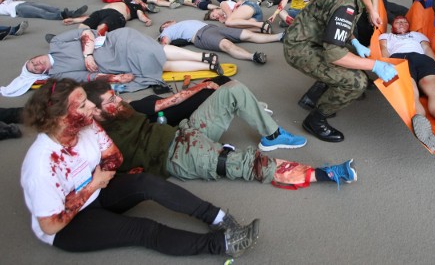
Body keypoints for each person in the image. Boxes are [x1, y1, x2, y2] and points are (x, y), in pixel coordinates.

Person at [20, 78, 259, 258]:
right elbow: (51, 224)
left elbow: (113, 157)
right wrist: (93, 183)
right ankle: (223, 245)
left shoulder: (88, 126)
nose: (92, 108)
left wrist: (97, 181)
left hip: (98, 190)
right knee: (142, 230)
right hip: (69, 224)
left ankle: (218, 217)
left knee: (146, 182)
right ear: (62, 118)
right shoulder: (41, 165)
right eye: (82, 106)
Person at [84, 78, 357, 189]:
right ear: (92, 112)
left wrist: (202, 86)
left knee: (233, 89)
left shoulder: (126, 108)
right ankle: (324, 174)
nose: (118, 102)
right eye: (110, 101)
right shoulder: (97, 141)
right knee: (242, 163)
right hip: (179, 157)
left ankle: (271, 135)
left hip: (184, 131)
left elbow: (170, 102)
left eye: (115, 97)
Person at [284, 0, 405, 142]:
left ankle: (311, 97)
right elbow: (334, 54)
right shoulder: (345, 2)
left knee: (355, 57)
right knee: (357, 82)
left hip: (312, 37)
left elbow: (335, 23)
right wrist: (375, 66)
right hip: (300, 47)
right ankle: (316, 120)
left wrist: (354, 41)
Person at [20, 27, 225, 93]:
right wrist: (115, 79)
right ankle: (206, 62)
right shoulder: (58, 74)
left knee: (155, 51)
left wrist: (87, 54)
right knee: (159, 64)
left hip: (116, 42)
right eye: (35, 68)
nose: (37, 64)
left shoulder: (56, 43)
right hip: (115, 64)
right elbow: (88, 77)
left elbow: (86, 32)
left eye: (34, 61)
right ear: (41, 73)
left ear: (36, 56)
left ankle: (203, 57)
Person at [379, 15, 435, 150]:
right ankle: (426, 134)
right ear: (392, 26)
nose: (401, 23)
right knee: (410, 91)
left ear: (409, 26)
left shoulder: (417, 35)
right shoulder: (386, 36)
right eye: (398, 22)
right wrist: (387, 65)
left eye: (404, 22)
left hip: (422, 59)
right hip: (399, 59)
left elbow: (428, 49)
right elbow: (383, 50)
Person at [158, 19, 284, 64]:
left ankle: (279, 36)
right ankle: (253, 57)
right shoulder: (166, 32)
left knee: (247, 34)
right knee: (226, 45)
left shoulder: (178, 24)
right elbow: (164, 46)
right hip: (200, 35)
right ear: (165, 25)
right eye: (166, 23)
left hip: (212, 27)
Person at [62, 0, 153, 33]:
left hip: (117, 15)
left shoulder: (137, 7)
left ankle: (91, 41)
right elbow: (90, 17)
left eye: (144, 4)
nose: (140, 2)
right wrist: (74, 20)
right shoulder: (123, 0)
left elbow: (141, 15)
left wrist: (146, 20)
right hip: (100, 12)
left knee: (102, 27)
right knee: (82, 26)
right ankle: (72, 40)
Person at [205, 0, 273, 34]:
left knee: (228, 23)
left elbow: (230, 16)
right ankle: (259, 29)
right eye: (214, 19)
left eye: (213, 15)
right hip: (256, 17)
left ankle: (261, 24)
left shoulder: (222, 4)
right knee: (232, 27)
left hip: (251, 7)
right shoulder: (226, 17)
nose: (216, 18)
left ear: (214, 10)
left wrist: (224, 21)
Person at [0, 0, 87, 20]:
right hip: (18, 9)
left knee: (49, 7)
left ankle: (72, 13)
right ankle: (61, 16)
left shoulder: (8, 0)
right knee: (40, 12)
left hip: (25, 3)